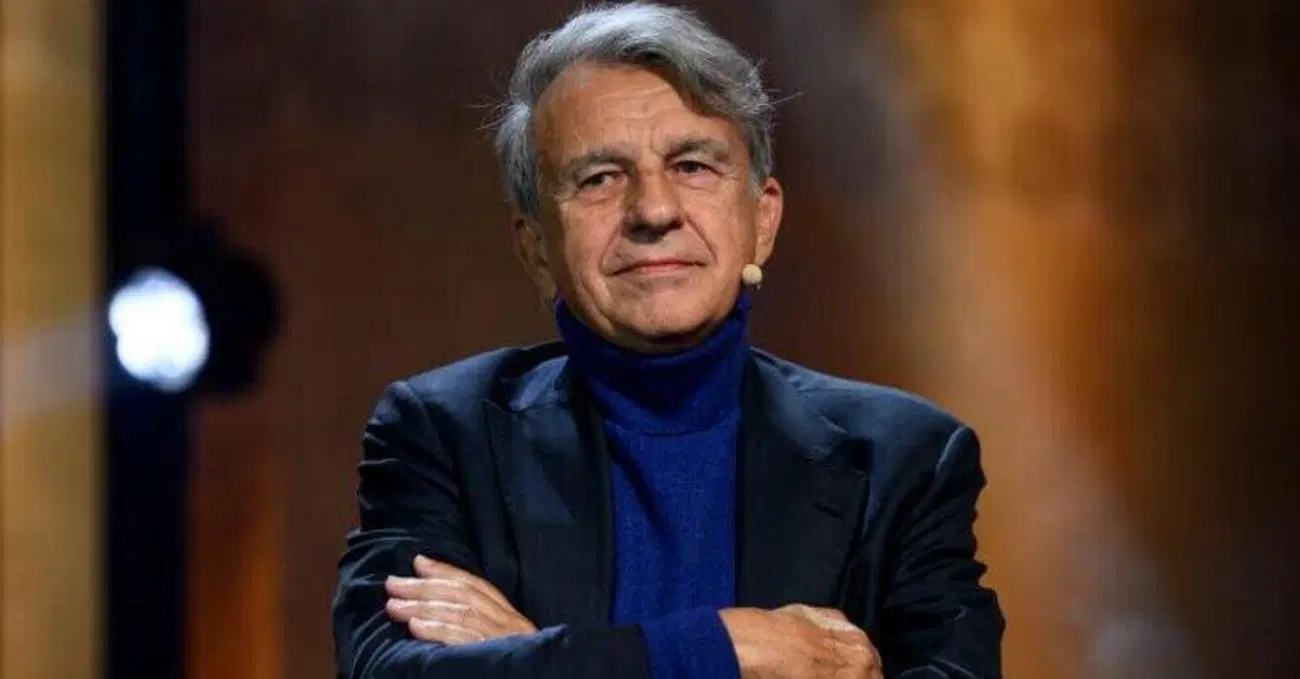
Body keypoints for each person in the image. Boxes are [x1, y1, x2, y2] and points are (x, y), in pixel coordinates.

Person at [332, 3, 1003, 678]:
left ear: (762, 221)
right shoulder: (443, 434)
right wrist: (727, 647)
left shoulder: (905, 461)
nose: (654, 211)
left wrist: (540, 650)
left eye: (692, 166)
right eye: (599, 178)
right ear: (536, 249)